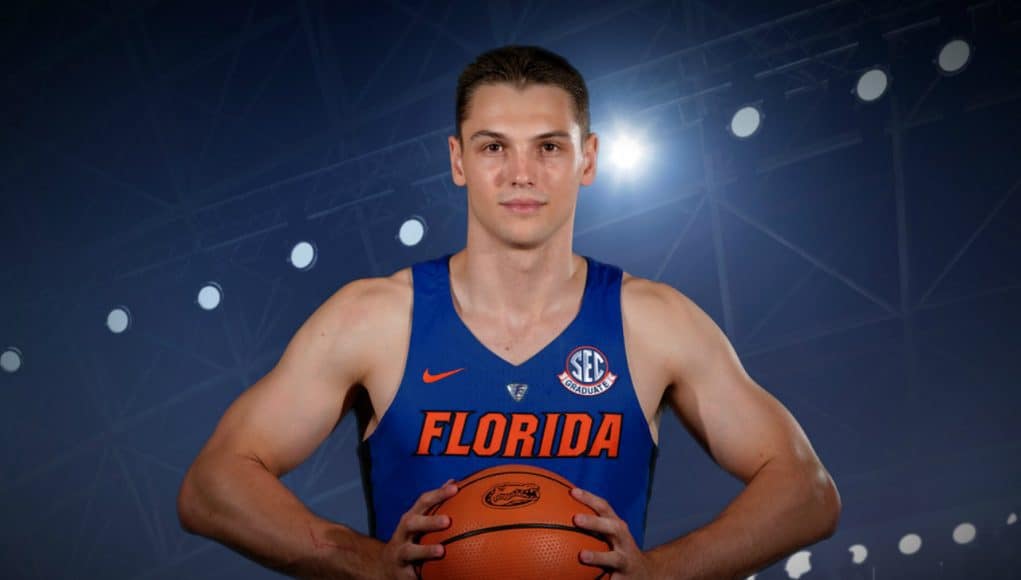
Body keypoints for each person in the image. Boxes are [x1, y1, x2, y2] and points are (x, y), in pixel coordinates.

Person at [177, 45, 841, 579]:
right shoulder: (375, 318)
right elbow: (212, 485)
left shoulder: (652, 321)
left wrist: (664, 571)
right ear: (457, 160)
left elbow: (806, 491)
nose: (521, 173)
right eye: (494, 146)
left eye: (548, 147)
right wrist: (360, 561)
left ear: (587, 159)